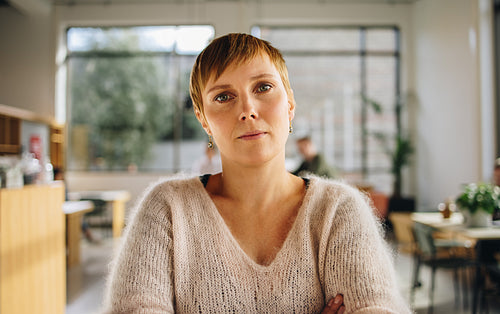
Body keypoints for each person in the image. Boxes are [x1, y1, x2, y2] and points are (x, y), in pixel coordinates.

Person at [103, 33, 410, 313]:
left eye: (263, 87)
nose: (247, 110)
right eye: (223, 96)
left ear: (289, 105)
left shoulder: (338, 209)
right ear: (204, 120)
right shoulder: (167, 209)